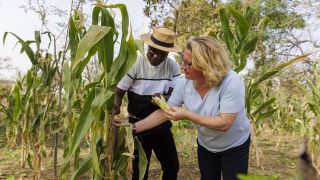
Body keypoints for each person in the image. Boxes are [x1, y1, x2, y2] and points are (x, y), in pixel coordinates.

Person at [124, 36, 251, 180]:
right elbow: (165, 112)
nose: (182, 67)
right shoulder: (184, 84)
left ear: (206, 65)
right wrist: (132, 128)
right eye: (182, 61)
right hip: (207, 146)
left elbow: (224, 123)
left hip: (234, 145)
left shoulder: (231, 82)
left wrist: (187, 115)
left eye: (188, 64)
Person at [114, 27, 181, 180]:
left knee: (172, 167)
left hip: (161, 125)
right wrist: (116, 106)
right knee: (139, 172)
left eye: (162, 54)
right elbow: (118, 93)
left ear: (168, 53)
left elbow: (176, 95)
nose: (156, 57)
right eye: (152, 51)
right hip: (137, 126)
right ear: (148, 47)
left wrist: (163, 97)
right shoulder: (135, 64)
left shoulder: (173, 67)